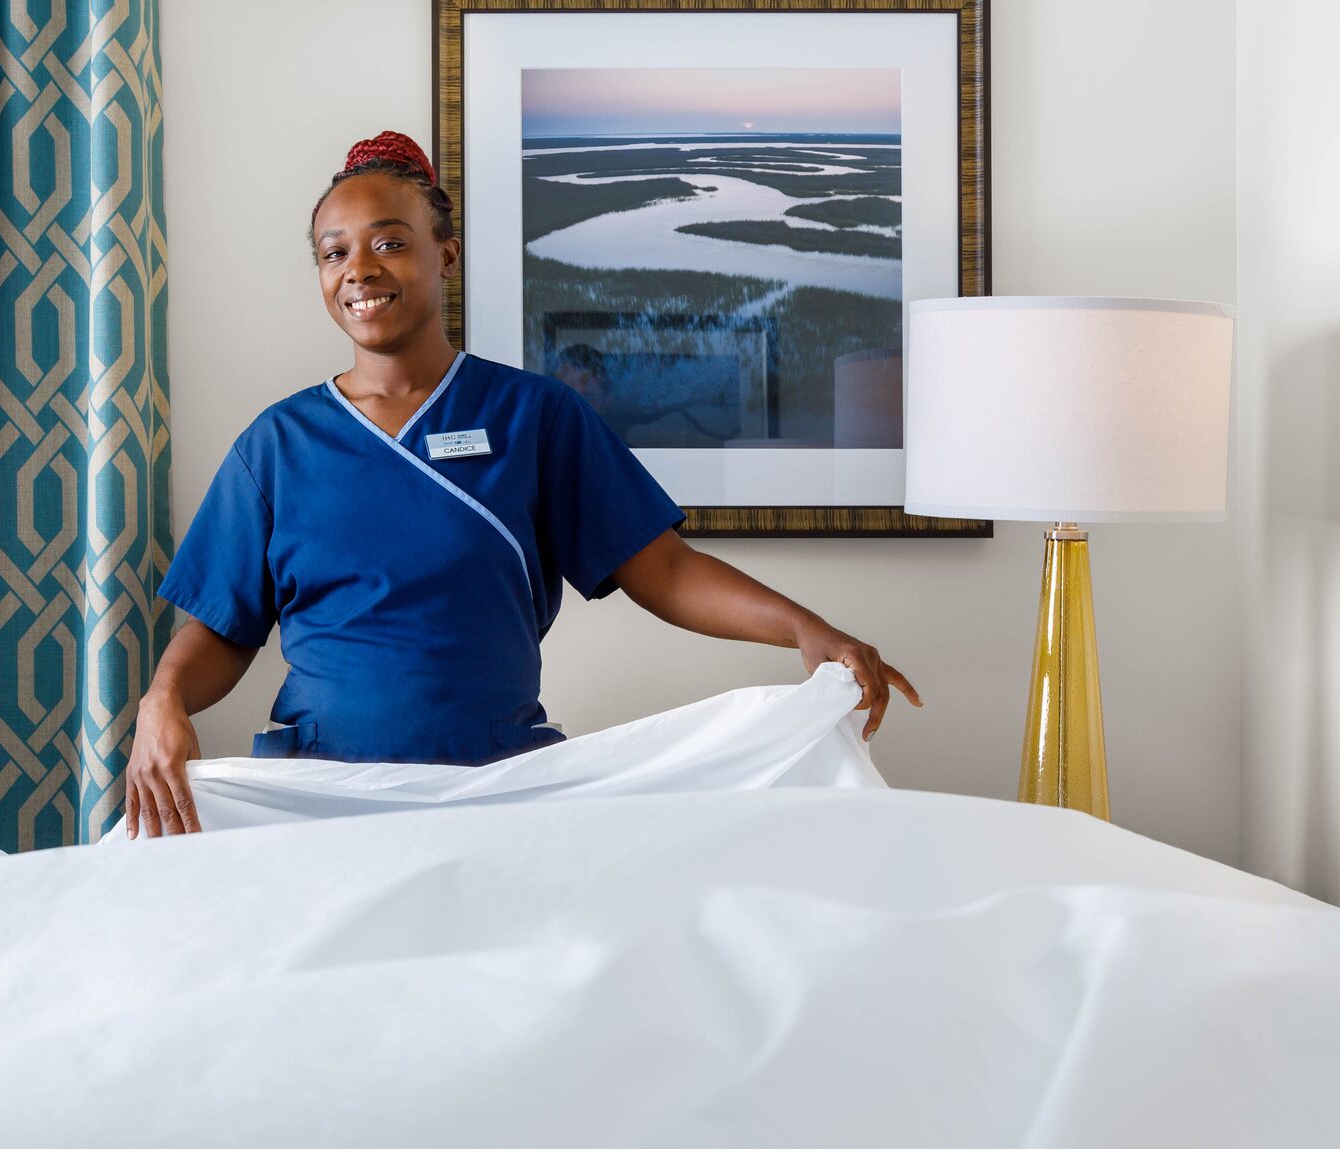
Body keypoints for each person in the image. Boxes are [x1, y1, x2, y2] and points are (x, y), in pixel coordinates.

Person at [124, 131, 920, 838]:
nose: (359, 269)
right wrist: (165, 697)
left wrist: (804, 629)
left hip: (496, 791)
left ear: (446, 255)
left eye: (390, 242)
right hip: (322, 799)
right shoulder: (278, 444)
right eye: (334, 253)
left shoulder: (534, 417)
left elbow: (665, 570)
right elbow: (224, 629)